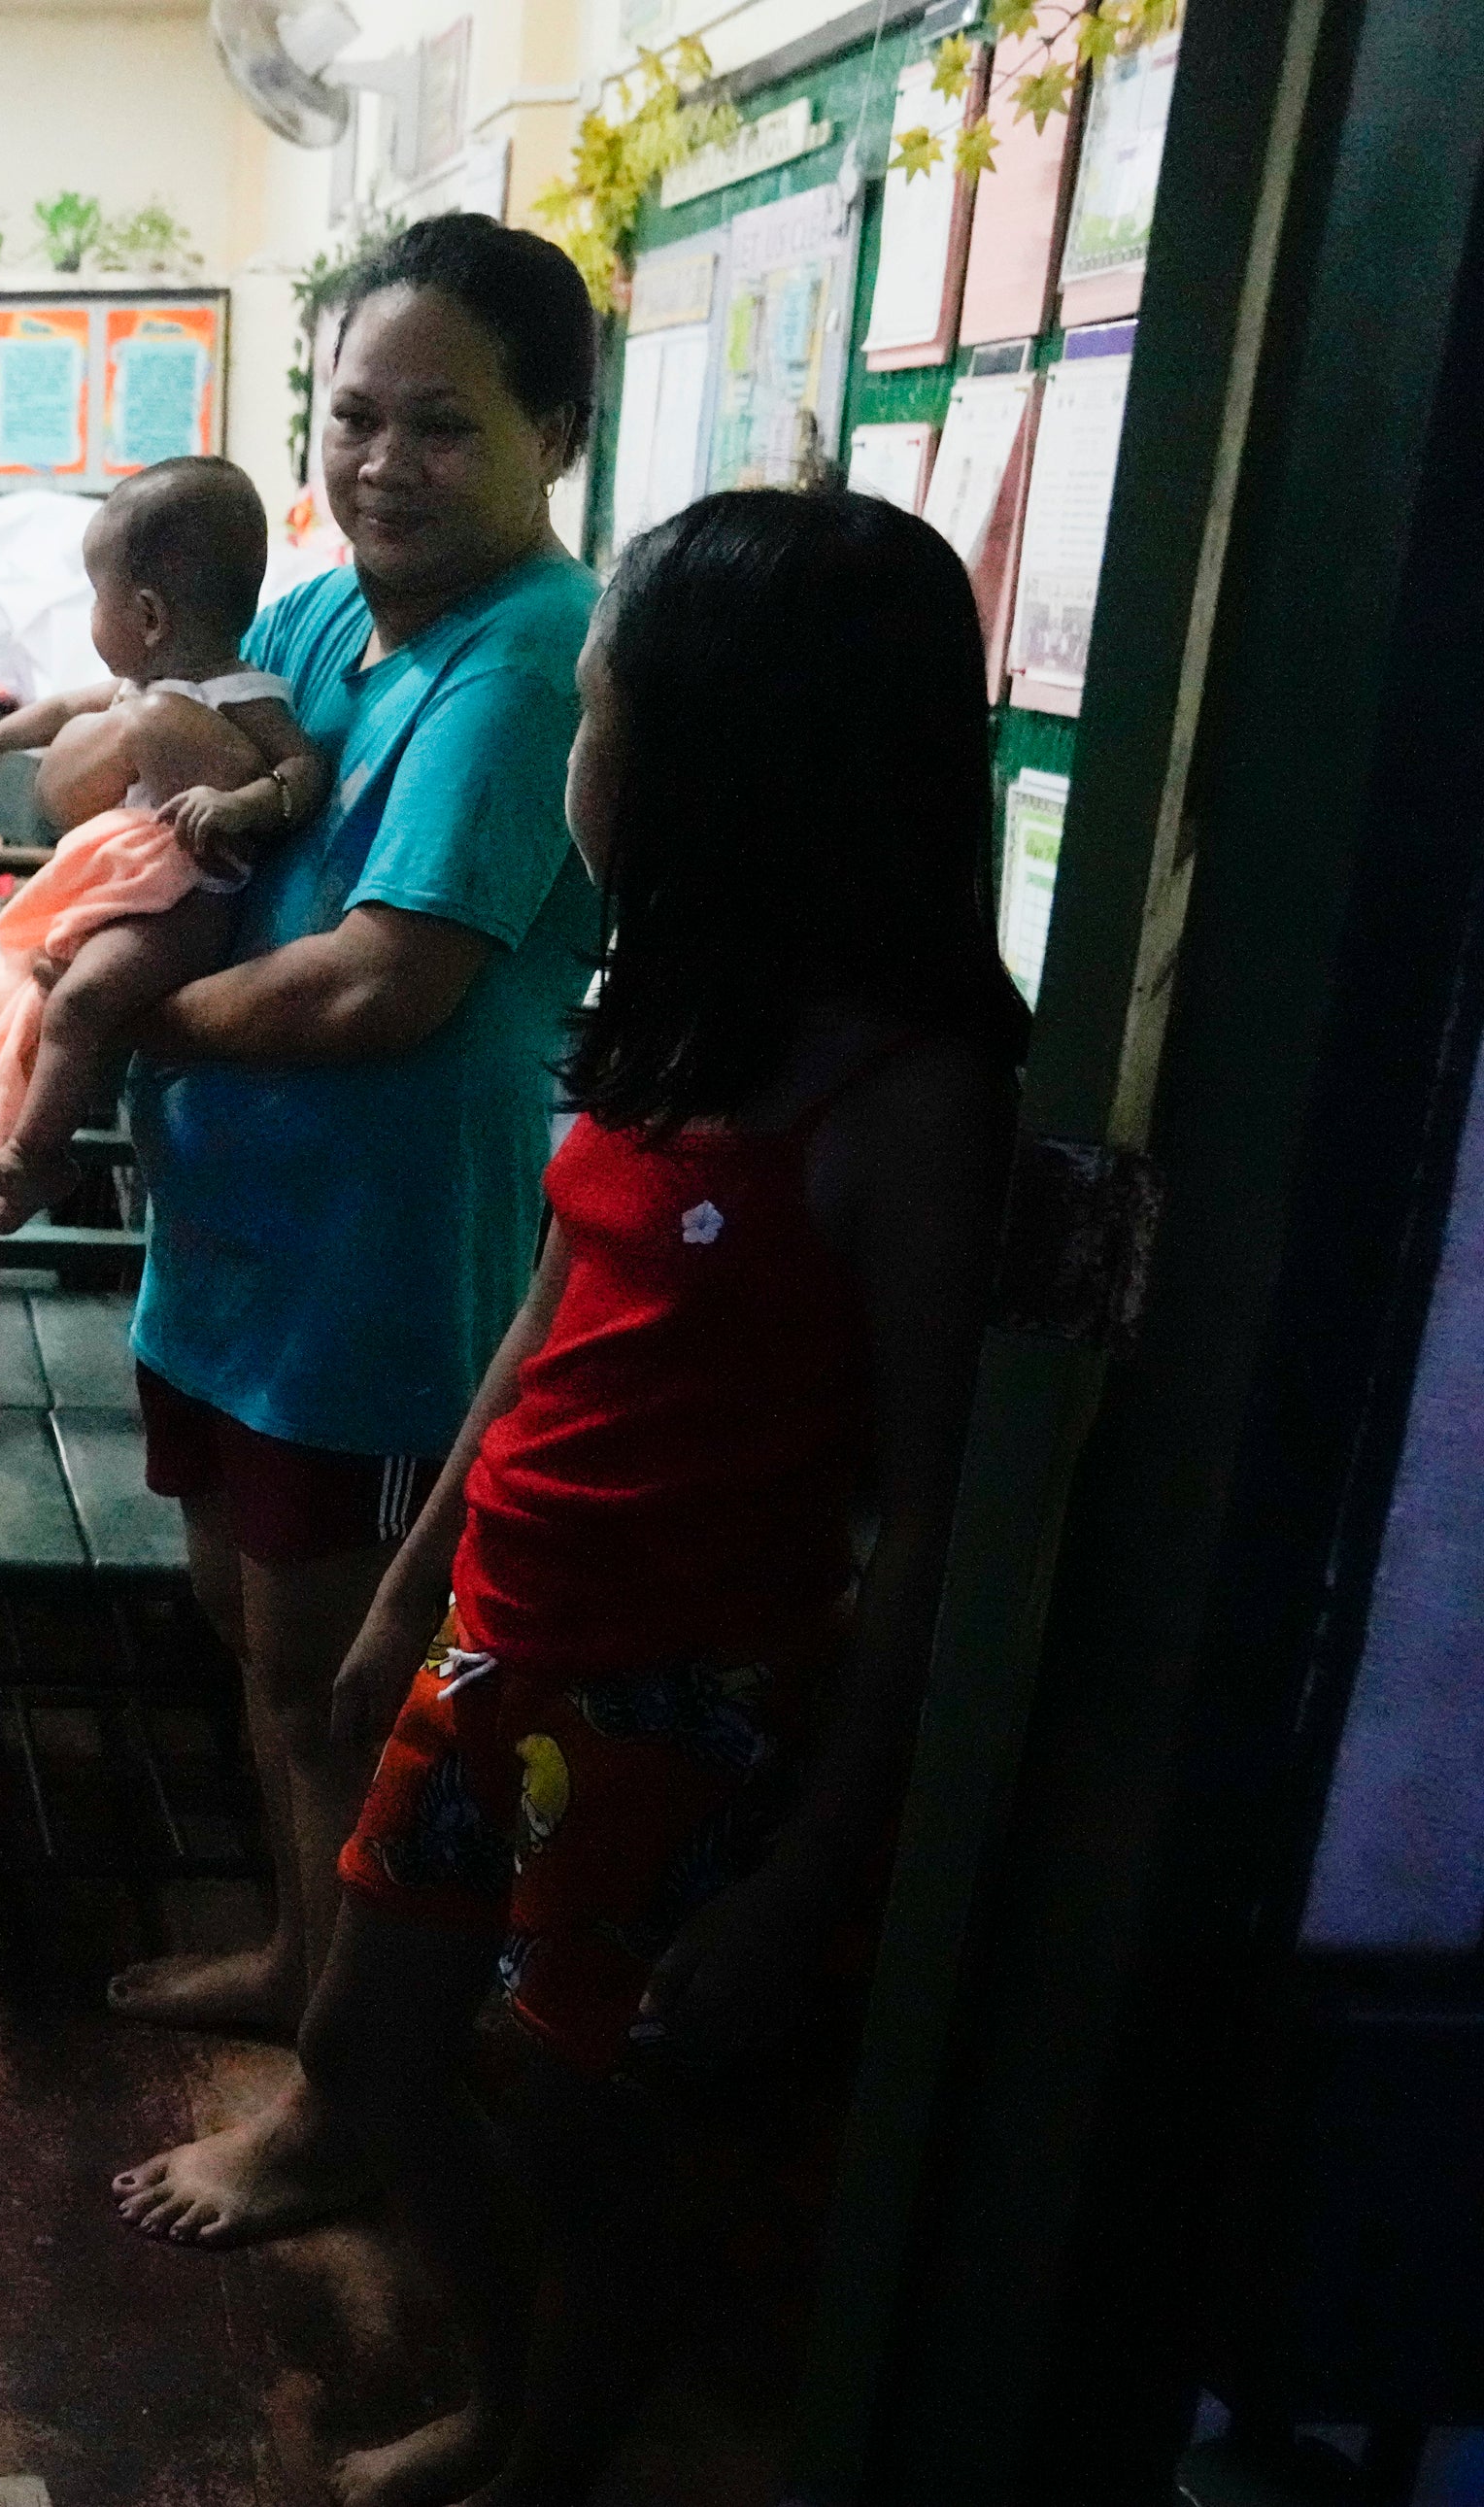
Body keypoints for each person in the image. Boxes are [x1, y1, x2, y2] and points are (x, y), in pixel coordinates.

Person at [293, 488, 1026, 2505]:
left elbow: (941, 1519)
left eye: (596, 715)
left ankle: (547, 2459)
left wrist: (808, 1872)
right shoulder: (669, 1013)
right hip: (495, 1645)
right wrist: (403, 1600)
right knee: (368, 2056)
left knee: (585, 2128)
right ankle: (517, 2388)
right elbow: (542, 1332)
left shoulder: (908, 1094)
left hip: (681, 1715)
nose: (571, 757)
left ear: (721, 770)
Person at [97, 214, 606, 2249]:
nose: (381, 463)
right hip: (242, 1250)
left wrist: (115, 1010)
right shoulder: (324, 622)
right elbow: (100, 756)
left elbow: (381, 984)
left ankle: (344, 2102)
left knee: (353, 1691)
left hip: (383, 1271)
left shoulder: (524, 660)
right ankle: (298, 1966)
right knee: (249, 1628)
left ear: (555, 429)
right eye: (350, 417)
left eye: (443, 427)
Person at [0, 457, 326, 1227]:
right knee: (27, 975)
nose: (92, 616)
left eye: (96, 597)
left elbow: (303, 768)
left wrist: (243, 802)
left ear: (148, 615)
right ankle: (13, 1127)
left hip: (186, 904)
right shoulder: (138, 690)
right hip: (132, 885)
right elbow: (58, 710)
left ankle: (35, 1157)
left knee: (78, 997)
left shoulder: (241, 690)